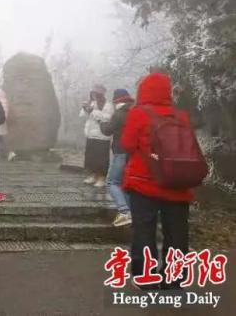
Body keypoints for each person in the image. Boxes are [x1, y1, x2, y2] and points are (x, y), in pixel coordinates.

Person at [121, 72, 195, 290]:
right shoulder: (181, 116)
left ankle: (146, 278)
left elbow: (127, 144)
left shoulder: (137, 114)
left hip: (144, 183)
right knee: (177, 232)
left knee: (144, 230)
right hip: (177, 182)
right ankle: (174, 279)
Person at [100, 88, 135, 227]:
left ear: (117, 101)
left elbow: (107, 131)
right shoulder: (134, 112)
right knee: (125, 183)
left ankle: (124, 211)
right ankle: (130, 213)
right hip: (132, 153)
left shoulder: (119, 113)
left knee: (112, 182)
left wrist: (102, 123)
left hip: (120, 151)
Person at [80, 84, 114, 188]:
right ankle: (92, 175)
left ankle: (101, 178)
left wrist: (93, 111)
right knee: (91, 157)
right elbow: (82, 116)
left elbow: (107, 118)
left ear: (101, 94)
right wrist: (85, 108)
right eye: (92, 94)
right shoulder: (91, 103)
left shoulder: (108, 105)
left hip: (102, 135)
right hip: (90, 135)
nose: (93, 96)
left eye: (96, 94)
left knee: (101, 159)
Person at [0, 88, 12, 161]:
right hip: (1, 123)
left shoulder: (1, 102)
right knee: (0, 139)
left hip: (0, 123)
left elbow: (4, 113)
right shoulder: (3, 101)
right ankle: (5, 153)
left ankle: (4, 153)